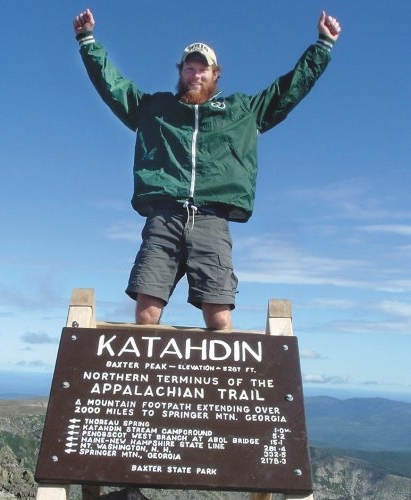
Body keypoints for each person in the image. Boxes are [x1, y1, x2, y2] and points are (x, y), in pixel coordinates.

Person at [73, 9, 341, 329]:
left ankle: (218, 379)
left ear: (216, 75)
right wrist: (87, 40)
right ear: (181, 72)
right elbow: (112, 85)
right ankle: (151, 378)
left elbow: (289, 89)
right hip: (165, 217)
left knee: (219, 316)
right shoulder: (155, 110)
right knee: (147, 313)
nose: (196, 74)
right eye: (190, 68)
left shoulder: (242, 111)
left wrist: (323, 45)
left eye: (203, 69)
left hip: (212, 219)